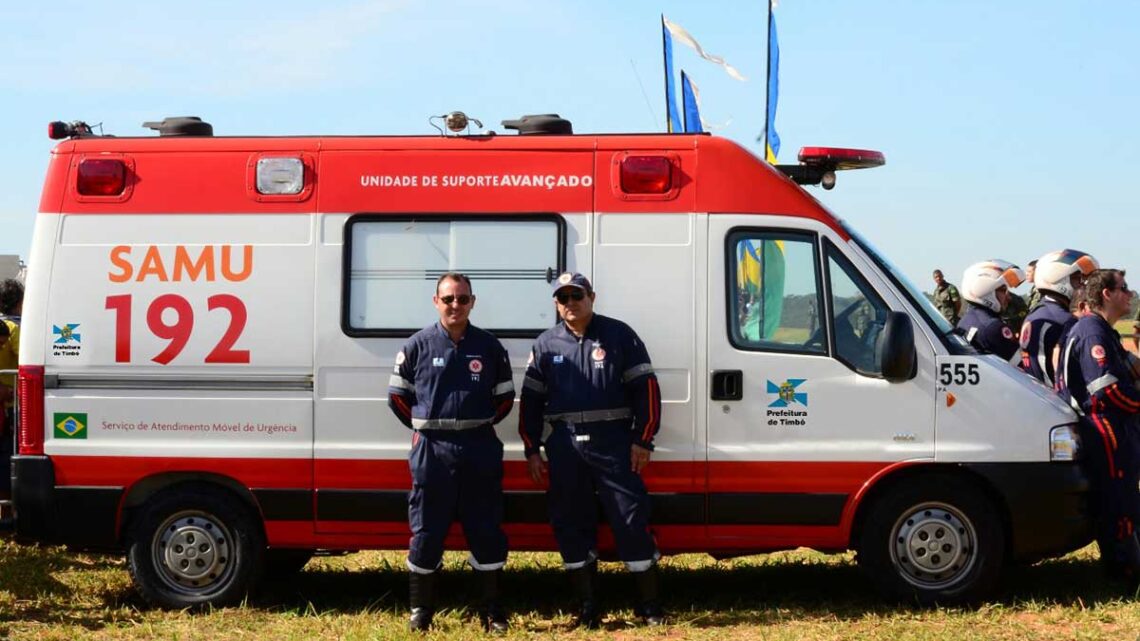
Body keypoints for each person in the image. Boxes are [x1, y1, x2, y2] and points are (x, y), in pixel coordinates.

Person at [519, 272, 664, 628]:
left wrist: (643, 439)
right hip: (565, 445)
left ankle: (648, 605)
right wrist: (532, 449)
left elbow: (646, 389)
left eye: (577, 295)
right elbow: (531, 403)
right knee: (570, 521)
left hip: (614, 443)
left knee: (630, 517)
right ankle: (587, 605)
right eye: (563, 297)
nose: (571, 302)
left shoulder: (619, 335)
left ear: (592, 297)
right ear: (556, 303)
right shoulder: (546, 344)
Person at [387, 273, 515, 632]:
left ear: (473, 302)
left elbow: (504, 399)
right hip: (432, 450)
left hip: (479, 447)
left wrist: (476, 423)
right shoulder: (417, 345)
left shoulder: (489, 347)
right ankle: (420, 611)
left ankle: (491, 611)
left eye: (462, 299)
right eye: (448, 299)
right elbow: (397, 399)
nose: (455, 305)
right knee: (426, 530)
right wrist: (427, 426)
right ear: (436, 301)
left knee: (486, 529)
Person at [1057, 269, 1140, 584]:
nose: (1130, 294)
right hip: (1104, 426)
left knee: (1123, 494)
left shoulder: (1101, 330)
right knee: (1118, 497)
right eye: (1124, 288)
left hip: (1110, 424)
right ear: (1106, 293)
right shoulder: (1093, 331)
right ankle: (1123, 567)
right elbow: (1106, 390)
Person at [1019, 249, 1099, 388]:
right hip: (1055, 401)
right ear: (1058, 278)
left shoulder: (1038, 312)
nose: (1082, 285)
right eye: (1076, 279)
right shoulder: (1064, 320)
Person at [956, 260, 1024, 362]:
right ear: (984, 290)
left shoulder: (967, 319)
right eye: (1002, 290)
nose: (1008, 297)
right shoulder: (992, 327)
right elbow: (1023, 367)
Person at [0, 279, 23, 509]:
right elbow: (25, 361)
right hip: (10, 404)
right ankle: (7, 511)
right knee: (9, 456)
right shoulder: (15, 329)